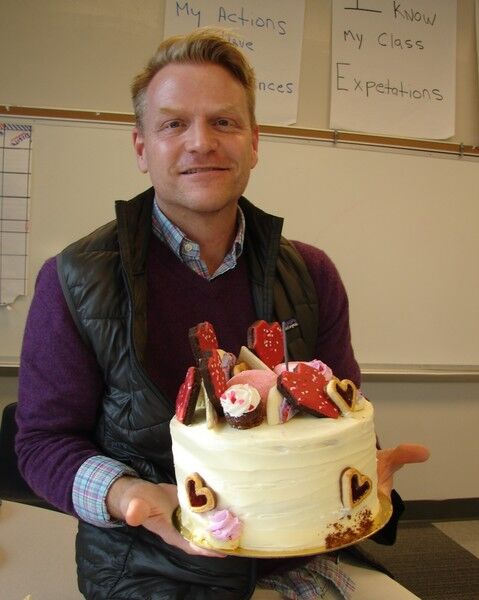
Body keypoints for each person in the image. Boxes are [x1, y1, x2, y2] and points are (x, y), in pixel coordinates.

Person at [16, 28, 429, 600]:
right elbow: (41, 442)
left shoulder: (312, 275)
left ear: (254, 143)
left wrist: (362, 464)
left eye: (224, 123)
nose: (200, 143)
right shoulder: (74, 280)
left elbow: (338, 413)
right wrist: (129, 496)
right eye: (173, 124)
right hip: (148, 567)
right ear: (142, 148)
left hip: (298, 560)